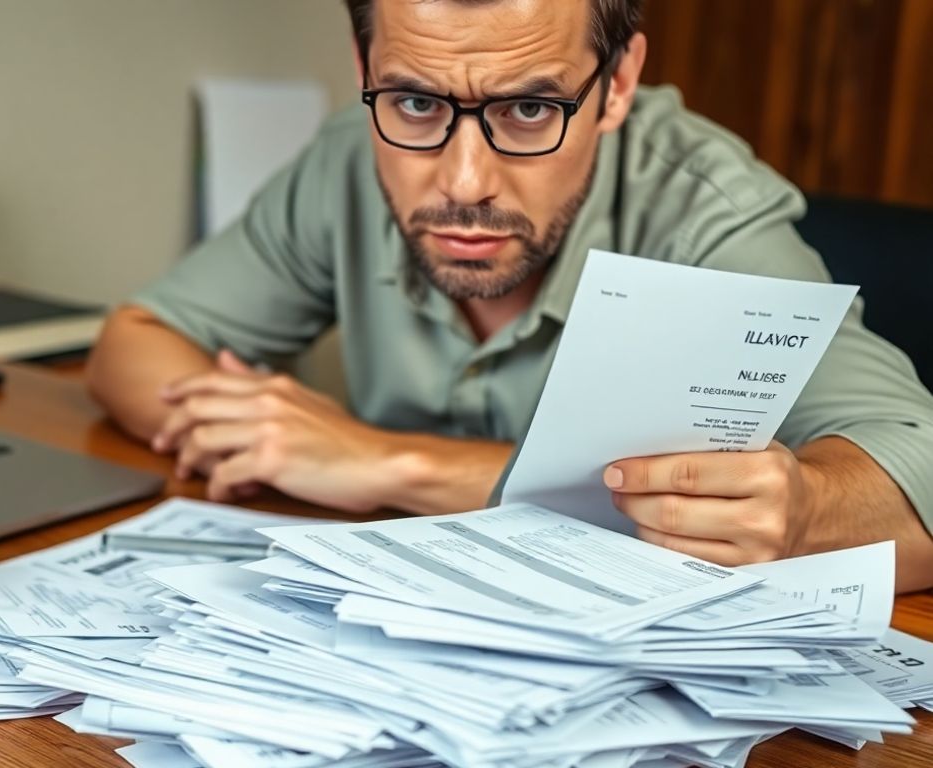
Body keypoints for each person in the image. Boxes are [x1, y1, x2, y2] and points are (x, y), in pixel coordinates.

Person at [86, 0, 933, 591]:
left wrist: (387, 462)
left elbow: (917, 474)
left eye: (529, 107)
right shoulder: (349, 158)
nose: (463, 181)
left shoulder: (706, 210)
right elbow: (135, 340)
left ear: (619, 82)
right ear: (362, 68)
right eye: (415, 100)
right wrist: (254, 430)